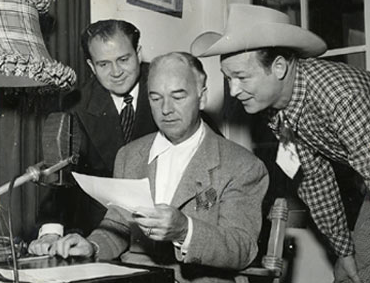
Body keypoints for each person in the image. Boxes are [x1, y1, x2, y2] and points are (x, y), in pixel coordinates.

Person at [191, 4, 370, 283]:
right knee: (352, 272)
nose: (233, 91)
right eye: (228, 78)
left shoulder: (342, 98)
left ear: (279, 67)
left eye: (242, 77)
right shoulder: (278, 106)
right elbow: (315, 180)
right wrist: (345, 251)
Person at [46, 52, 269, 283]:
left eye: (178, 96)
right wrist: (92, 246)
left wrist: (185, 230)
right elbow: (118, 225)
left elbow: (242, 248)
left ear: (201, 98)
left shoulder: (243, 165)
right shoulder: (129, 156)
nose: (165, 109)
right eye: (155, 98)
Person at [29, 19, 158, 255]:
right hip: (100, 235)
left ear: (138, 53)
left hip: (160, 234)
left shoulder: (165, 85)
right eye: (104, 64)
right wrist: (51, 231)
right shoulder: (76, 103)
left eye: (123, 59)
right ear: (91, 65)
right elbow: (62, 174)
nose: (116, 72)